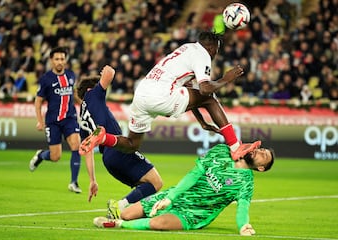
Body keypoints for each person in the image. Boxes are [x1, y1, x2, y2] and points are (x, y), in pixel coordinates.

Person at [80, 31, 260, 161]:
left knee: (132, 144)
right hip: (161, 94)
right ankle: (235, 147)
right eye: (216, 51)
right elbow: (204, 90)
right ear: (211, 47)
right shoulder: (203, 54)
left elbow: (191, 90)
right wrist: (226, 79)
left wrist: (202, 121)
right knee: (210, 98)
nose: (215, 55)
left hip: (142, 92)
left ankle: (103, 138)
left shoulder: (187, 48)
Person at [93, 143, 274, 236]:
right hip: (176, 196)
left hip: (193, 213)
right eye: (261, 149)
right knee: (127, 213)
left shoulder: (246, 183)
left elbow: (242, 207)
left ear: (261, 168)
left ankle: (118, 225)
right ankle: (126, 219)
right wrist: (170, 198)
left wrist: (243, 226)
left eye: (264, 155)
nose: (260, 151)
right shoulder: (221, 151)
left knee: (158, 224)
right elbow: (193, 175)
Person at [77, 65, 163, 218]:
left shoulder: (82, 118)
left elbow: (87, 150)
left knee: (144, 185)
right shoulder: (93, 94)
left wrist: (92, 180)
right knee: (156, 182)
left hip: (108, 161)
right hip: (117, 149)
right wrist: (105, 71)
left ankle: (133, 212)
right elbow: (110, 72)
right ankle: (119, 206)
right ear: (91, 89)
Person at [29, 46, 82, 193]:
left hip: (70, 118)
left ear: (66, 61)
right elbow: (38, 101)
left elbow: (74, 95)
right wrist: (40, 121)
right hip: (53, 121)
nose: (60, 62)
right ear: (52, 61)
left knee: (76, 146)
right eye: (57, 59)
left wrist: (84, 102)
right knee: (55, 156)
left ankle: (73, 182)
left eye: (62, 59)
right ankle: (41, 155)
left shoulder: (71, 75)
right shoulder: (46, 79)